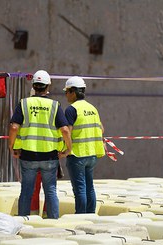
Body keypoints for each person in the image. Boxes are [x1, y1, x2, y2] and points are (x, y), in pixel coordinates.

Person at [9, 70, 72, 219]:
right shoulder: (55, 106)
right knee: (50, 191)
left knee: (26, 190)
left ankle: (23, 220)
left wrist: (11, 146)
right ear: (47, 86)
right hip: (50, 157)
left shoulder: (24, 103)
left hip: (28, 155)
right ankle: (53, 222)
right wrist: (68, 148)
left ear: (33, 86)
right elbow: (64, 129)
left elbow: (13, 127)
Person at [63, 76, 105, 213]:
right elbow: (101, 129)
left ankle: (80, 215)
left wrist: (66, 150)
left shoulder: (71, 109)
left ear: (73, 92)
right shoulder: (92, 108)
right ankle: (91, 214)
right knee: (89, 187)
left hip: (77, 154)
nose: (66, 95)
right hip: (92, 154)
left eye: (67, 92)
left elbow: (67, 132)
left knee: (80, 188)